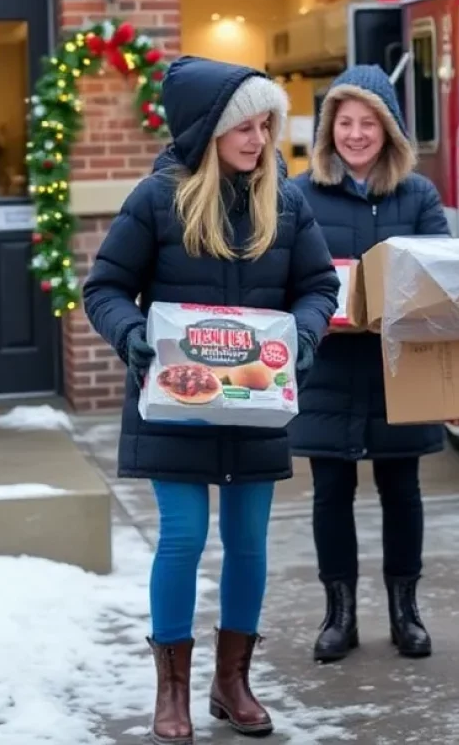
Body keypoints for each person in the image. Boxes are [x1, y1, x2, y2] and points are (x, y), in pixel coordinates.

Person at [83, 57, 339, 743]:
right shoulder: (156, 198)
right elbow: (103, 287)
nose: (258, 140)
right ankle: (172, 692)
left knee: (248, 542)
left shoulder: (283, 201)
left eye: (266, 126)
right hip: (175, 402)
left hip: (255, 406)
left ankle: (233, 683)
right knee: (184, 536)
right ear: (207, 131)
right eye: (243, 127)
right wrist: (132, 335)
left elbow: (318, 286)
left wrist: (307, 335)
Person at [289, 65, 450, 663]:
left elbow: (447, 274)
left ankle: (406, 612)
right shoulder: (300, 193)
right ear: (330, 129)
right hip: (327, 367)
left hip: (399, 367)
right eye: (345, 122)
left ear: (389, 130)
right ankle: (340, 615)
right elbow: (288, 275)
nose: (356, 135)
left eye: (369, 124)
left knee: (401, 490)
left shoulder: (418, 195)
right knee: (330, 493)